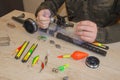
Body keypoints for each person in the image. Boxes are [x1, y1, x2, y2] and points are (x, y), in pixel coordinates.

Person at [35, 0, 120, 44]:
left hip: (105, 42)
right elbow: (52, 2)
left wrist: (102, 34)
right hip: (71, 36)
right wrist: (45, 10)